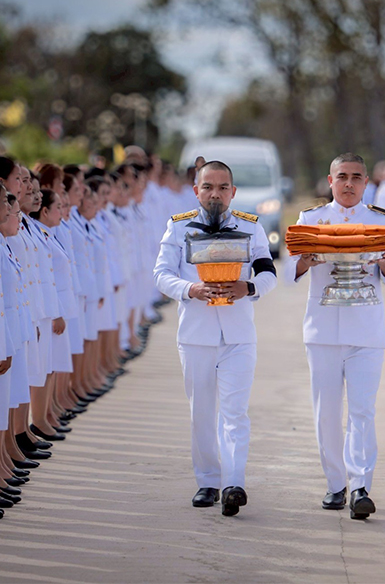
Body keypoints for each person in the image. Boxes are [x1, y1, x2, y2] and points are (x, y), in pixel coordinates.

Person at [154, 160, 277, 517]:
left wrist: (248, 287)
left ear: (233, 192)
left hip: (239, 334)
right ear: (197, 190)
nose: (215, 194)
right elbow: (160, 274)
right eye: (208, 187)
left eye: (223, 187)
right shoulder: (178, 228)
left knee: (235, 412)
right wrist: (190, 288)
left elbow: (267, 272)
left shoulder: (250, 228)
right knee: (202, 412)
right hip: (196, 334)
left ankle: (234, 483)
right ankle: (208, 481)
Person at [293, 152, 385, 520]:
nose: (349, 183)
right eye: (342, 176)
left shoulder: (378, 220)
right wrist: (306, 260)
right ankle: (335, 484)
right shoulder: (312, 219)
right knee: (326, 413)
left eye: (356, 177)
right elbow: (289, 268)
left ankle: (360, 486)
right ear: (330, 180)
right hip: (323, 328)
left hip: (365, 329)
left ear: (366, 182)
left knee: (362, 411)